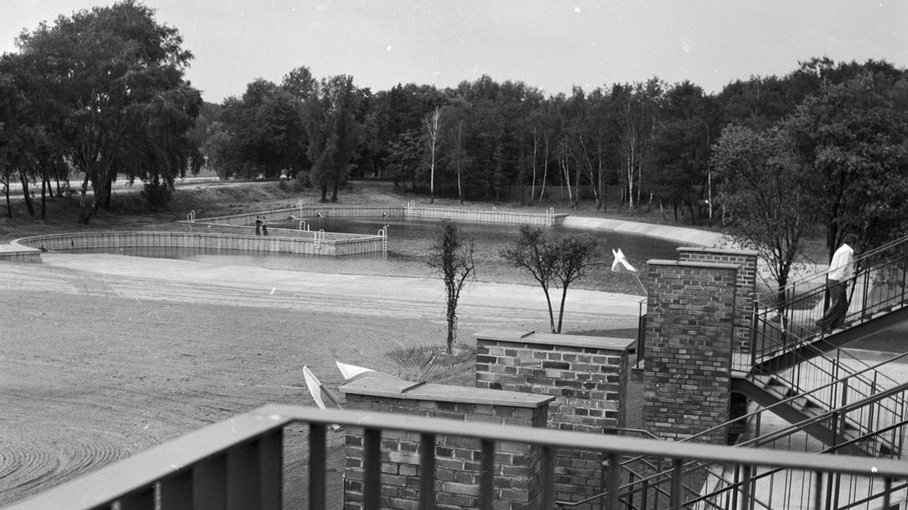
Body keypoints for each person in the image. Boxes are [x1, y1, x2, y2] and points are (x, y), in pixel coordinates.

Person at [815, 238, 855, 331]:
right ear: (852, 242)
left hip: (835, 279)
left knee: (843, 304)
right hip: (836, 280)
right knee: (838, 303)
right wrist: (841, 280)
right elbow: (842, 266)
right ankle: (822, 322)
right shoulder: (846, 251)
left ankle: (836, 323)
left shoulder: (843, 250)